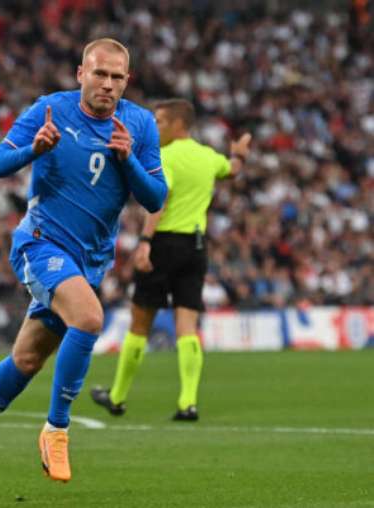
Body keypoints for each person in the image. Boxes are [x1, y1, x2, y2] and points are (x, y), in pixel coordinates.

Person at [0, 38, 167, 490]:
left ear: (128, 81)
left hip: (89, 260)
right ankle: (56, 430)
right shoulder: (50, 110)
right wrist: (34, 150)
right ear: (80, 73)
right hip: (40, 242)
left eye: (117, 77)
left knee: (26, 359)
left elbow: (156, 198)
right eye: (99, 73)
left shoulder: (140, 125)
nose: (107, 84)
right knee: (89, 318)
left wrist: (128, 163)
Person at [91, 99, 251, 421]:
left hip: (164, 243)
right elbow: (231, 171)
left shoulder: (166, 157)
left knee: (140, 320)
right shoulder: (207, 157)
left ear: (179, 125)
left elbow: (158, 201)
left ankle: (118, 397)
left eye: (161, 121)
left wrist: (146, 242)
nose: (155, 127)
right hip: (196, 247)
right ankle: (188, 402)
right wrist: (238, 155)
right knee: (187, 324)